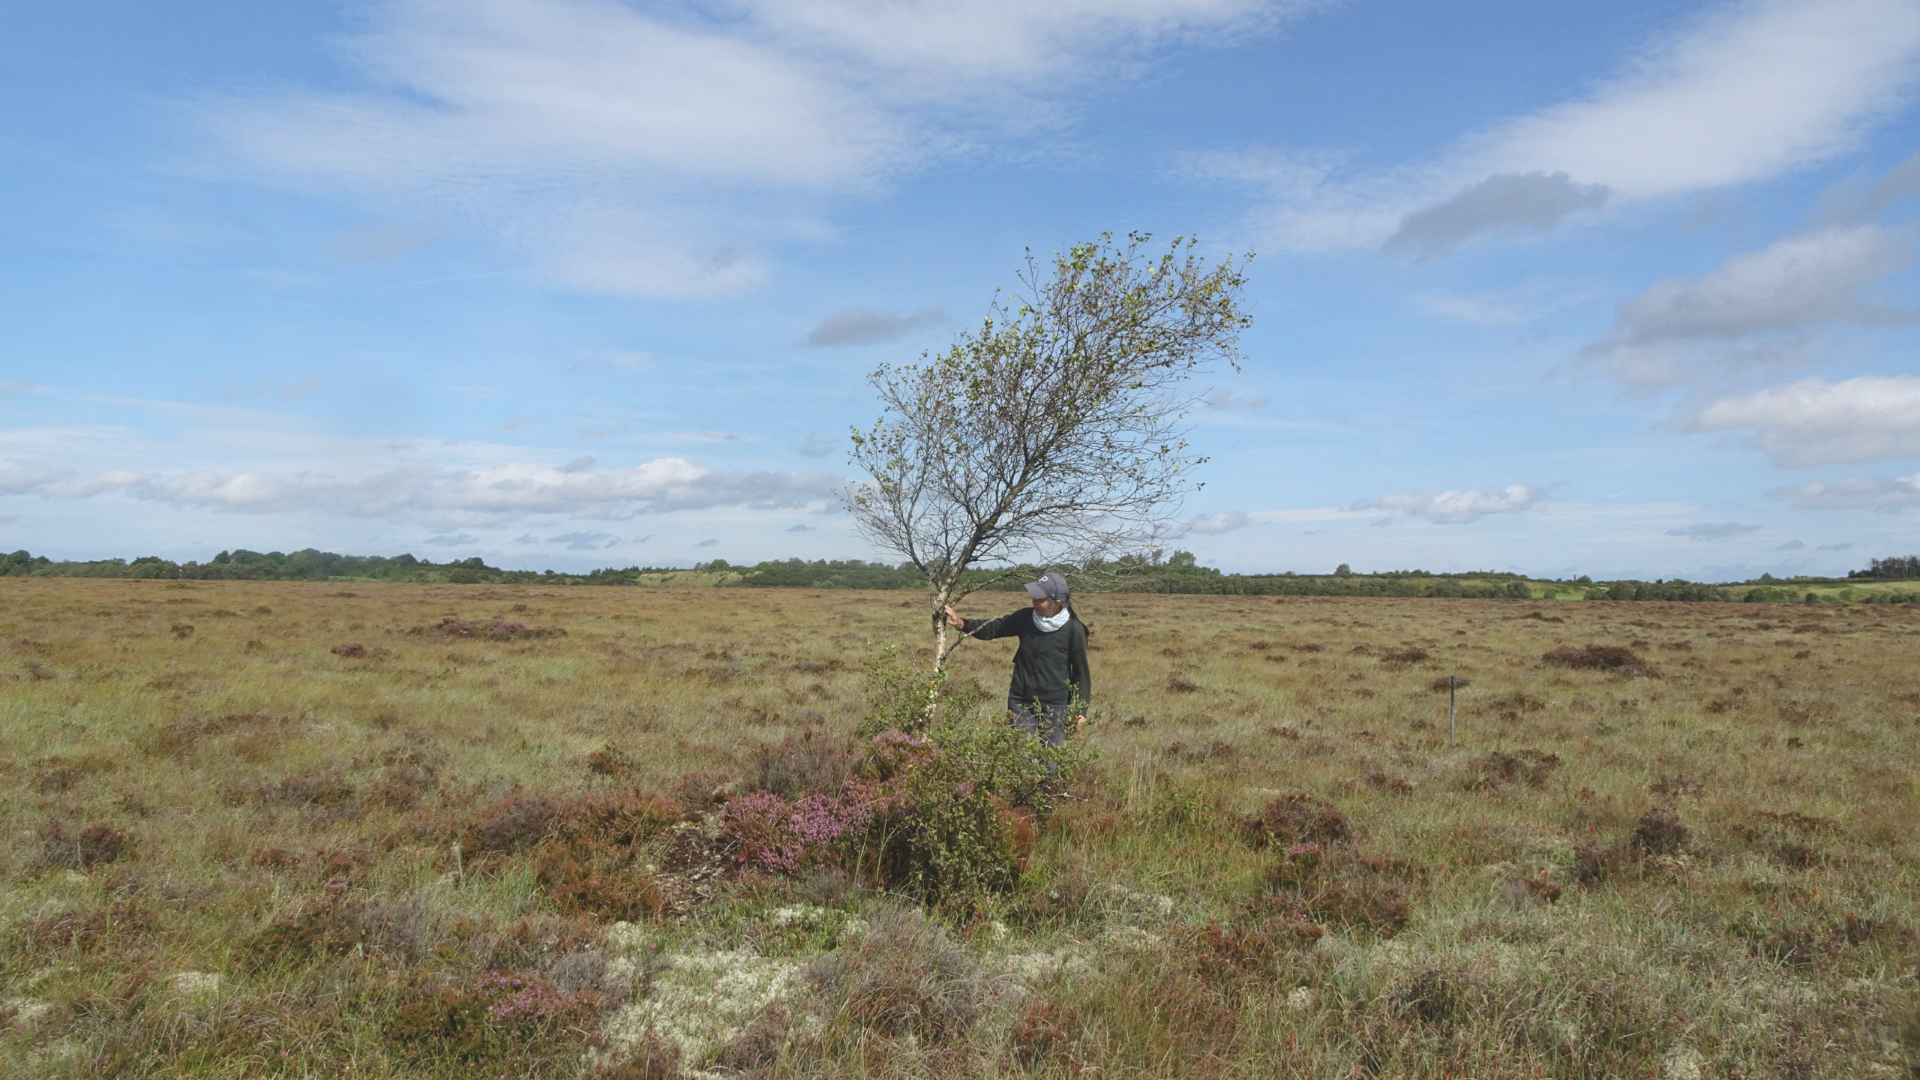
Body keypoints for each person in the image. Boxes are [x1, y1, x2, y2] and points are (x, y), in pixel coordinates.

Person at [942, 572, 1090, 747]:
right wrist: (962, 623)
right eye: (1033, 597)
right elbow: (994, 628)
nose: (1033, 601)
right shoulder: (1026, 617)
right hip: (1021, 700)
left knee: (1050, 763)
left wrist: (1080, 711)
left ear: (1057, 602)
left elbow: (1081, 674)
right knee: (1017, 753)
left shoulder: (1074, 630)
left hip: (1055, 705)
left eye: (1039, 599)